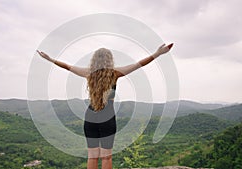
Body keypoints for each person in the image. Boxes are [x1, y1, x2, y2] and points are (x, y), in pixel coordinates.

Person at [37, 43, 173, 169]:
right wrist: (157, 53)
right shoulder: (114, 73)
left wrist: (50, 59)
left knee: (92, 156)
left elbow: (67, 66)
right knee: (106, 157)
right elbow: (139, 64)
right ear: (110, 60)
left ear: (94, 60)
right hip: (107, 118)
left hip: (90, 116)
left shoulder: (88, 73)